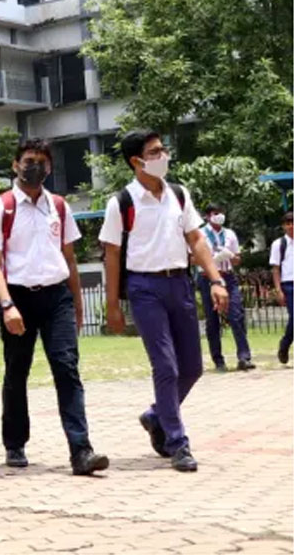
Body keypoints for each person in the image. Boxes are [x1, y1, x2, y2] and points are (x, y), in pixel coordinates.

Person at [0, 138, 109, 477]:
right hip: (18, 297)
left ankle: (81, 450)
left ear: (49, 168)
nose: (34, 166)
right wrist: (6, 305)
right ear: (15, 165)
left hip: (57, 297)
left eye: (41, 161)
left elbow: (69, 257)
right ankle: (15, 443)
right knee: (17, 371)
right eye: (28, 160)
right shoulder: (2, 208)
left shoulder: (59, 207)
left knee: (67, 369)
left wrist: (77, 303)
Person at [100, 129, 228, 473]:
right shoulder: (121, 203)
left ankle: (155, 415)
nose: (164, 156)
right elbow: (111, 256)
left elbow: (197, 239)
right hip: (144, 288)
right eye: (155, 152)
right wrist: (112, 305)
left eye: (163, 150)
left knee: (192, 367)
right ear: (136, 161)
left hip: (180, 284)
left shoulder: (178, 195)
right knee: (166, 366)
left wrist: (215, 279)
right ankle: (177, 441)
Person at [195, 203, 253, 372]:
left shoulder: (229, 234)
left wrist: (231, 256)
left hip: (228, 275)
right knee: (212, 319)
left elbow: (237, 259)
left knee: (236, 315)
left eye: (221, 213)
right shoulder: (200, 234)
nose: (219, 216)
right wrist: (212, 260)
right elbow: (193, 258)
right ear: (207, 216)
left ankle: (244, 357)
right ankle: (218, 360)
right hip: (207, 277)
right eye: (215, 213)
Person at [271, 211, 294, 365]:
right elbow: (275, 269)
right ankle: (285, 344)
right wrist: (278, 290)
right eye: (288, 223)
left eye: (292, 222)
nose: (291, 226)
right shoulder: (279, 244)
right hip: (289, 284)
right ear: (283, 226)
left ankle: (285, 345)